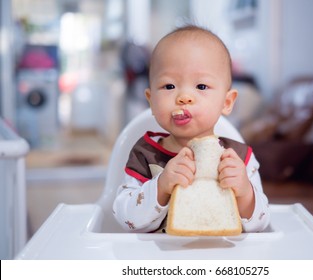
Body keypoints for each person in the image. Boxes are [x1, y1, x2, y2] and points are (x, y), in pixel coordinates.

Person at [113, 25, 270, 233]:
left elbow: (262, 223)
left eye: (201, 86)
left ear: (227, 102)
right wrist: (161, 186)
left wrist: (245, 194)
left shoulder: (240, 158)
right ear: (151, 101)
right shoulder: (145, 154)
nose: (184, 97)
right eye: (169, 86)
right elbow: (124, 217)